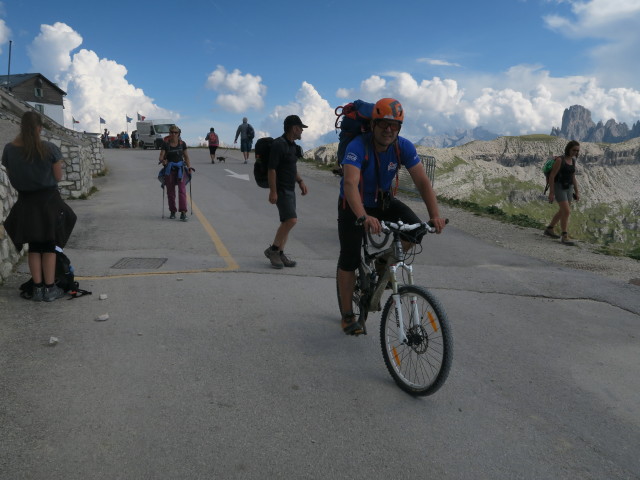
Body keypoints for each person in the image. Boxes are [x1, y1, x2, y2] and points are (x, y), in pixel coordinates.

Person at [336, 98, 446, 335]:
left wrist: (434, 216)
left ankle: (382, 265)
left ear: (399, 129)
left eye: (394, 126)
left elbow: (422, 182)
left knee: (416, 231)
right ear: (373, 125)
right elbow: (350, 183)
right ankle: (347, 314)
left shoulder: (402, 146)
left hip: (382, 201)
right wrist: (363, 216)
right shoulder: (357, 145)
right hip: (353, 204)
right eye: (384, 124)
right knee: (349, 258)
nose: (389, 130)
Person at [1, 111, 77, 302]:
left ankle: (37, 288)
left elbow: (11, 177)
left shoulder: (9, 149)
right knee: (49, 245)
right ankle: (50, 289)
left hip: (26, 202)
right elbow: (58, 177)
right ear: (39, 128)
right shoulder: (49, 148)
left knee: (34, 246)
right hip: (49, 201)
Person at [263, 115, 309, 269]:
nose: (302, 130)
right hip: (281, 189)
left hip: (290, 188)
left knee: (286, 222)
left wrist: (300, 181)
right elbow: (272, 169)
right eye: (300, 128)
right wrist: (273, 192)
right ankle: (273, 250)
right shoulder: (279, 144)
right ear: (294, 128)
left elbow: (292, 168)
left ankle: (280, 253)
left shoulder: (292, 146)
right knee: (292, 220)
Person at [545, 140, 580, 245]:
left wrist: (577, 191)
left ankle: (549, 229)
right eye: (574, 150)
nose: (575, 152)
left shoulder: (573, 161)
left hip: (569, 187)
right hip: (559, 187)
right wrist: (551, 192)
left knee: (562, 211)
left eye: (577, 151)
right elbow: (552, 176)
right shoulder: (560, 160)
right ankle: (564, 236)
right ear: (568, 148)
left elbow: (573, 177)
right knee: (567, 211)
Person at [158, 125, 193, 221]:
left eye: (175, 132)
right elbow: (161, 156)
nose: (173, 134)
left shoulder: (182, 144)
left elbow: (186, 157)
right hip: (169, 170)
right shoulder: (165, 144)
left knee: (182, 190)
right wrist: (163, 161)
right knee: (170, 192)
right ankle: (172, 211)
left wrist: (189, 167)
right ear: (169, 133)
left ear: (178, 134)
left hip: (180, 170)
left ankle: (183, 212)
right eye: (171, 132)